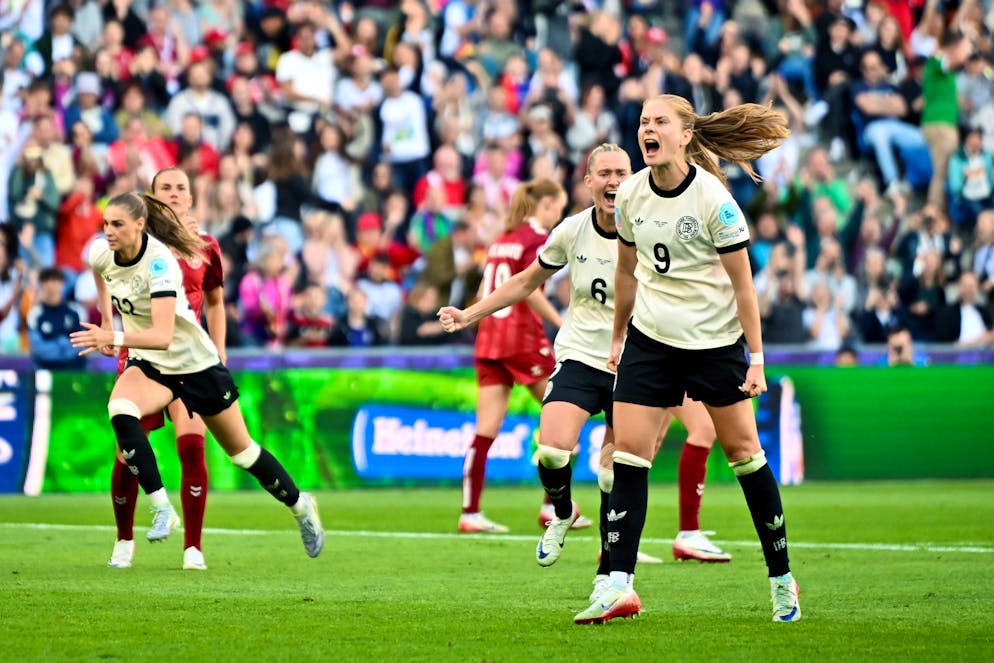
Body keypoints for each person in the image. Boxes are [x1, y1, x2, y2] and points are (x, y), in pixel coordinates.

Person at [439, 144, 731, 572]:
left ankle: (610, 572)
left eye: (621, 172)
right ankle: (561, 511)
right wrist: (469, 314)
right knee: (552, 453)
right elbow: (525, 282)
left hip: (633, 365)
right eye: (605, 173)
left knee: (616, 472)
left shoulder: (652, 229)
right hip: (579, 357)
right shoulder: (571, 230)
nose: (614, 180)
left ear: (632, 178)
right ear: (589, 181)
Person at [574, 95, 801, 625]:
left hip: (714, 345)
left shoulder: (713, 201)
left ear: (684, 135)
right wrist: (617, 339)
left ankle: (782, 578)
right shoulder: (630, 194)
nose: (647, 129)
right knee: (628, 456)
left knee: (746, 455)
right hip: (651, 341)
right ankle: (619, 585)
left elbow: (744, 287)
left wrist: (757, 359)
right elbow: (627, 273)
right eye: (642, 122)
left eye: (659, 122)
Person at [71, 191, 324, 563]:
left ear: (140, 225)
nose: (108, 232)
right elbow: (100, 271)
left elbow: (162, 335)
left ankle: (302, 506)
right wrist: (107, 318)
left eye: (118, 225)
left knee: (243, 454)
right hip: (152, 365)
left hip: (194, 364)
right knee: (121, 410)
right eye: (106, 224)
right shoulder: (100, 252)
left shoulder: (160, 265)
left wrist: (112, 336)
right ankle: (161, 508)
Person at [105, 168, 228, 571]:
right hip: (146, 357)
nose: (174, 194)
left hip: (191, 361)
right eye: (165, 189)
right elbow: (110, 278)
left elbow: (214, 302)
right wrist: (109, 327)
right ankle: (124, 540)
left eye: (181, 188)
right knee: (127, 452)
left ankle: (193, 548)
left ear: (191, 198)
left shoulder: (206, 245)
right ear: (150, 201)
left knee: (192, 446)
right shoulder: (140, 245)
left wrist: (220, 356)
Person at [455, 178, 566, 534]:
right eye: (559, 206)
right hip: (520, 336)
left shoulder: (502, 239)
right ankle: (552, 507)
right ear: (546, 204)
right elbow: (527, 287)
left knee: (484, 431)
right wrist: (559, 321)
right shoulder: (535, 237)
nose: (559, 213)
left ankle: (470, 512)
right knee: (564, 413)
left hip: (489, 337)